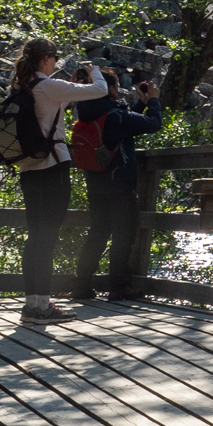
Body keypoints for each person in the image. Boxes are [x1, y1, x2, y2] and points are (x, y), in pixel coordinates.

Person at [9, 39, 112, 324]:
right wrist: (94, 71)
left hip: (28, 169)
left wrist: (70, 86)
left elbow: (52, 108)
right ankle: (43, 307)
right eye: (54, 57)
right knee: (48, 237)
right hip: (52, 167)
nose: (55, 62)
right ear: (45, 59)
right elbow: (100, 90)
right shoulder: (49, 86)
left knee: (35, 237)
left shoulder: (21, 87)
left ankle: (33, 304)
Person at [70, 70, 163, 302]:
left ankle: (82, 286)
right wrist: (153, 100)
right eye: (117, 86)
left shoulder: (87, 113)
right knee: (123, 235)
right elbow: (153, 124)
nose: (118, 90)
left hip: (95, 183)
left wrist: (140, 105)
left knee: (98, 233)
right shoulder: (116, 115)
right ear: (110, 88)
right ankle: (119, 287)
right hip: (120, 183)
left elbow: (125, 125)